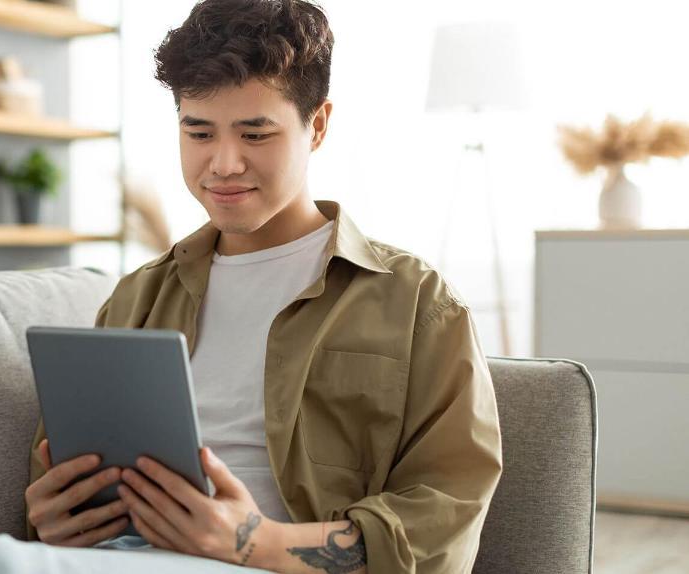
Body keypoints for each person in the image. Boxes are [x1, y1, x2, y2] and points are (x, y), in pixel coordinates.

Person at [25, 1, 503, 572]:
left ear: (317, 125)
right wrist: (52, 522)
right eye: (198, 131)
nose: (223, 163)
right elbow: (53, 483)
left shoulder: (416, 303)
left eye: (255, 133)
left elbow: (446, 518)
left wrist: (253, 542)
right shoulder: (137, 297)